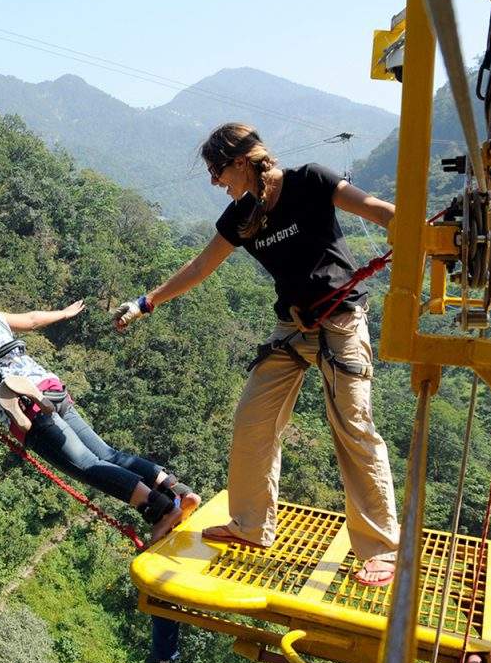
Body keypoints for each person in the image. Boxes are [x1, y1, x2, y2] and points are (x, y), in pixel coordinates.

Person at [113, 123, 399, 586]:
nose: (213, 181)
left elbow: (375, 209)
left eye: (216, 170)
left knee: (352, 426)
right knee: (253, 420)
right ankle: (251, 526)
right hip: (292, 325)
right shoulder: (241, 216)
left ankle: (382, 548)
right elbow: (201, 266)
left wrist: (412, 230)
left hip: (341, 321)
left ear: (241, 161)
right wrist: (148, 302)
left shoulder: (311, 181)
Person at [0, 260, 201, 545]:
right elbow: (33, 319)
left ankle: (160, 511)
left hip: (25, 402)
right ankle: (179, 492)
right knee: (107, 454)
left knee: (89, 466)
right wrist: (63, 314)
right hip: (49, 387)